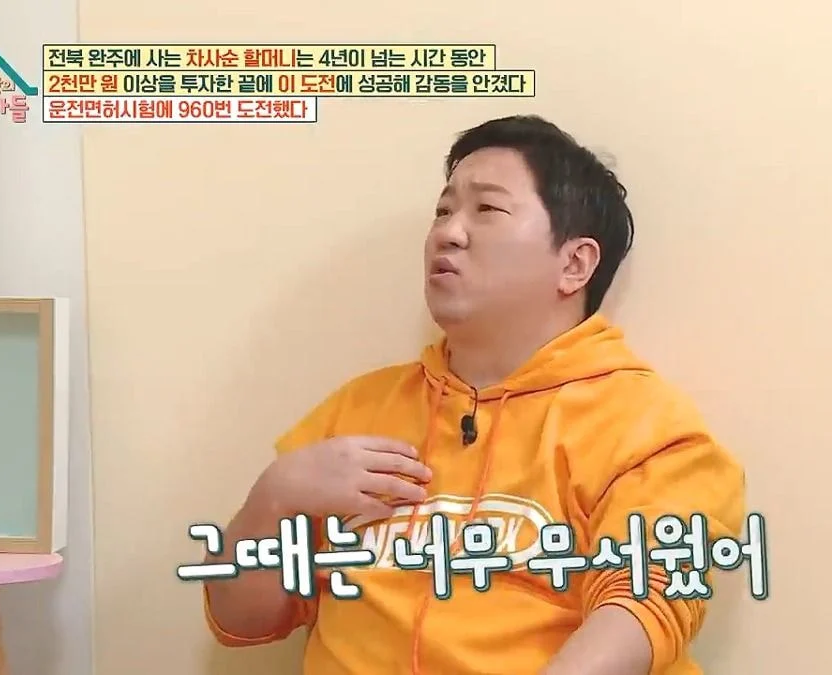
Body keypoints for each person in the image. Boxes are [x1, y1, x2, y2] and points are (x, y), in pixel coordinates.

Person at [202, 115, 747, 675]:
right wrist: (274, 497)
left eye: (487, 209)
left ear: (574, 264)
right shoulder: (359, 410)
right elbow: (243, 622)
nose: (448, 232)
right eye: (443, 211)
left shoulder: (646, 426)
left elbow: (645, 601)